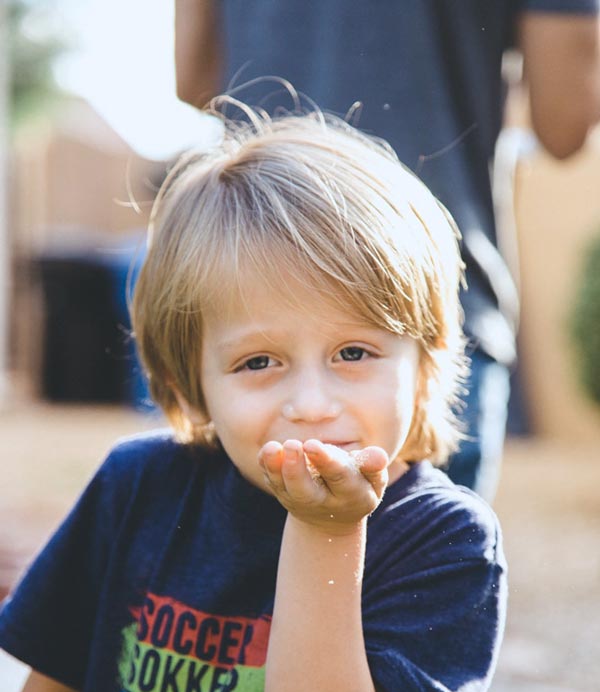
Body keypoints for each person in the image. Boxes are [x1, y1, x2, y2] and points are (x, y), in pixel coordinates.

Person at [0, 105, 507, 692]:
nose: (312, 402)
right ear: (187, 379)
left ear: (427, 358)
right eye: (260, 360)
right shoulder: (136, 489)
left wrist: (327, 528)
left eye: (354, 352)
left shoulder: (443, 540)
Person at [174, 0, 600, 501]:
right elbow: (565, 120)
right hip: (427, 310)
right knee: (420, 571)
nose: (314, 406)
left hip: (246, 303)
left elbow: (194, 80)